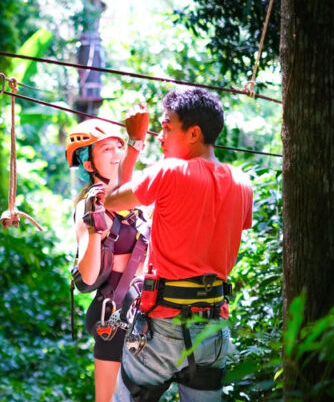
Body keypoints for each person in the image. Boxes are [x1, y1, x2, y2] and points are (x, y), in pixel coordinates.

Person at [101, 88, 253, 401]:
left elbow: (113, 200)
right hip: (212, 328)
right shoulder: (242, 183)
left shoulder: (171, 172)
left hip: (163, 325)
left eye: (167, 127)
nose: (161, 136)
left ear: (194, 133)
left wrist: (134, 143)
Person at [66, 108, 150, 402]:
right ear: (88, 163)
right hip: (114, 311)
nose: (116, 154)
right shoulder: (88, 207)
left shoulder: (133, 199)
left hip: (146, 310)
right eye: (106, 149)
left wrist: (136, 143)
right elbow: (87, 277)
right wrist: (92, 230)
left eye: (118, 147)